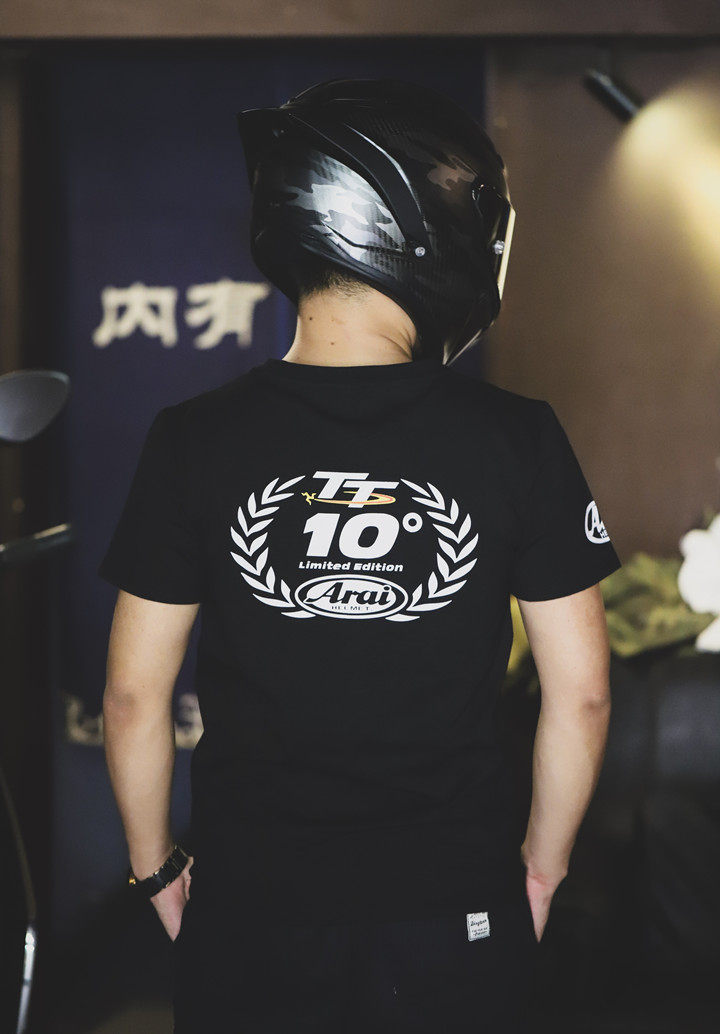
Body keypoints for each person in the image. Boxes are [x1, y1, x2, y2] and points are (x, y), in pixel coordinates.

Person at [98, 78, 622, 1033]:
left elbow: (133, 697)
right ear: (426, 229)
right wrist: (542, 870)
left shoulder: (193, 437)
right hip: (454, 904)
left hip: (249, 905)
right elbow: (582, 693)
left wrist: (154, 866)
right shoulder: (519, 437)